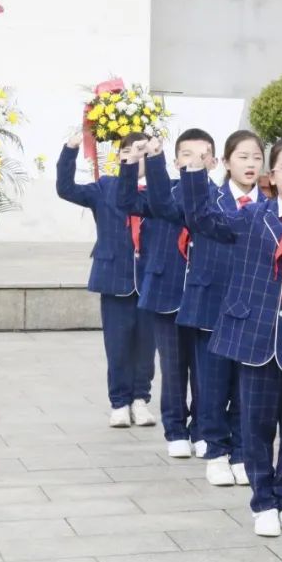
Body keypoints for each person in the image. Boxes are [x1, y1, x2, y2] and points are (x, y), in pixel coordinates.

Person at [181, 138, 282, 537]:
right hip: (255, 337)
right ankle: (263, 501)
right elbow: (202, 219)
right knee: (255, 426)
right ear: (273, 176)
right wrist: (196, 172)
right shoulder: (253, 216)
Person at [142, 129, 266, 487]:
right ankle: (215, 449)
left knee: (247, 385)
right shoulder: (208, 200)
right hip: (211, 303)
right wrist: (169, 166)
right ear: (225, 163)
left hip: (251, 309)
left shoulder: (270, 206)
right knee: (211, 383)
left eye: (256, 157)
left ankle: (243, 451)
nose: (250, 164)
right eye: (242, 157)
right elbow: (168, 207)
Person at [117, 132, 211, 459]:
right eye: (187, 154)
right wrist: (134, 164)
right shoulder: (162, 193)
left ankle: (202, 428)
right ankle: (175, 429)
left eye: (202, 155)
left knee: (203, 370)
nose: (194, 161)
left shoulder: (217, 198)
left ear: (212, 162)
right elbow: (128, 202)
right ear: (174, 161)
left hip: (204, 296)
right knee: (173, 368)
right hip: (166, 291)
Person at [57, 132, 157, 429]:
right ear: (120, 157)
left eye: (141, 152)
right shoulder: (106, 188)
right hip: (115, 276)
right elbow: (66, 189)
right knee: (117, 343)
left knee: (146, 344)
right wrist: (70, 148)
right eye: (129, 152)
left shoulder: (161, 191)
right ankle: (119, 402)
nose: (135, 158)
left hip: (152, 278)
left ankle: (140, 399)